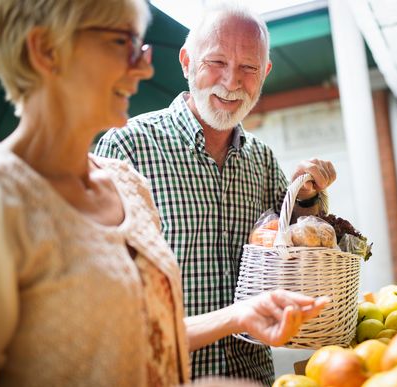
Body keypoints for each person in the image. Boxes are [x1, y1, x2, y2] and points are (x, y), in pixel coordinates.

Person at [0, 0, 328, 386]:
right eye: (122, 43)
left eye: (138, 47)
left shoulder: (124, 182)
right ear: (45, 51)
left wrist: (237, 319)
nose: (143, 66)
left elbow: (139, 333)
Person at [94, 2, 337, 384]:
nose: (231, 82)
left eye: (248, 68)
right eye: (217, 62)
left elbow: (298, 253)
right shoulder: (127, 149)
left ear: (265, 73)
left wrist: (306, 195)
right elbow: (103, 298)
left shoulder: (262, 160)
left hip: (253, 377)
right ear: (187, 60)